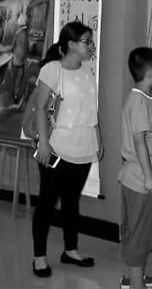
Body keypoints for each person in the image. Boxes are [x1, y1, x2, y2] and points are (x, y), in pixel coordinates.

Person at [32, 21, 103, 278]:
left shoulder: (87, 71)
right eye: (86, 41)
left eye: (91, 41)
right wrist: (43, 142)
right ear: (71, 44)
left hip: (84, 146)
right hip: (56, 148)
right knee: (47, 203)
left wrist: (99, 139)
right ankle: (39, 257)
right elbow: (41, 108)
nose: (91, 45)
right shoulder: (52, 69)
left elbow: (91, 111)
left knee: (72, 202)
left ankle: (70, 250)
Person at [118, 47, 152, 289]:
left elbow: (150, 137)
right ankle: (136, 284)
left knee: (143, 233)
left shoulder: (145, 99)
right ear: (150, 73)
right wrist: (148, 176)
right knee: (138, 235)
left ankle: (135, 278)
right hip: (139, 181)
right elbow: (139, 142)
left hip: (142, 180)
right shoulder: (138, 102)